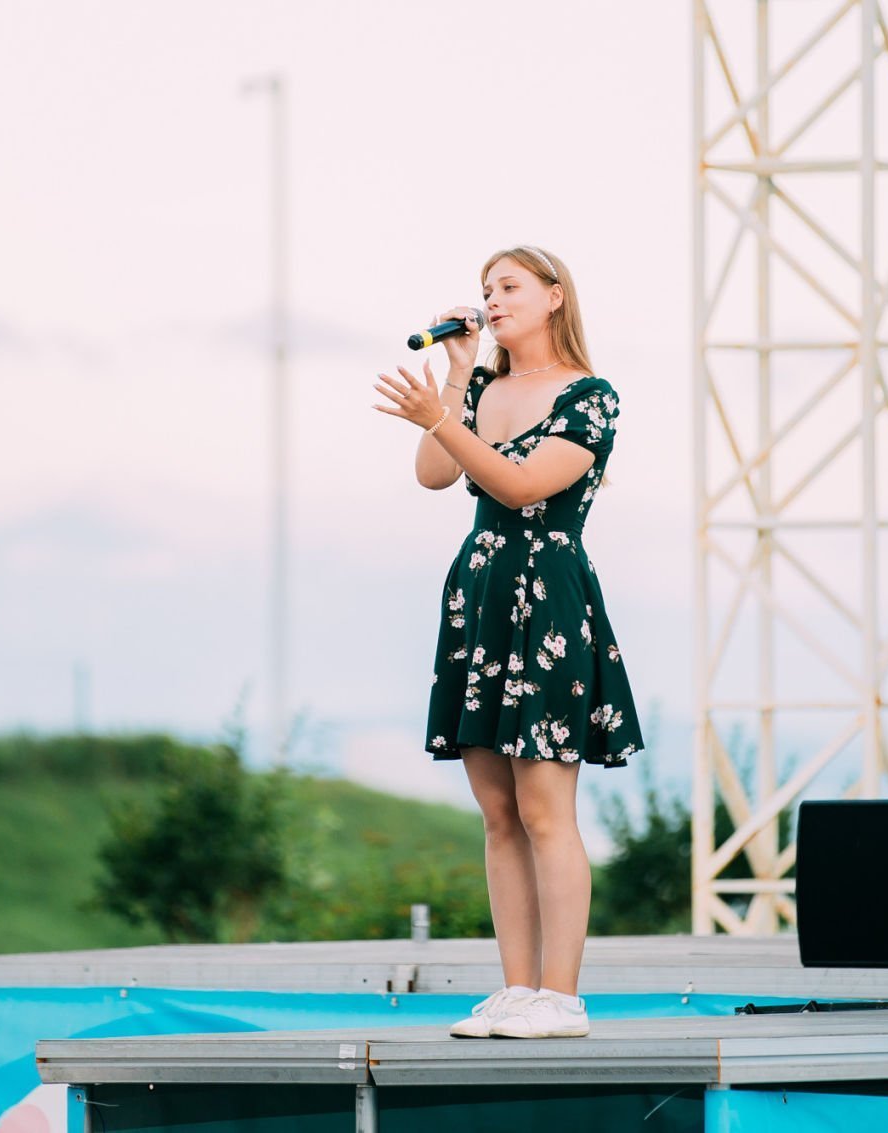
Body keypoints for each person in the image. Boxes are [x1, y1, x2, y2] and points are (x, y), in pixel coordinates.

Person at [371, 245, 645, 1040]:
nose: (491, 299)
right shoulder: (484, 387)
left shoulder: (591, 397)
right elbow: (433, 474)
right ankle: (518, 988)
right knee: (498, 812)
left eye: (509, 285)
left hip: (548, 598)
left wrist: (437, 420)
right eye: (486, 288)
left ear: (554, 296)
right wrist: (458, 378)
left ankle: (562, 997)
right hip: (484, 593)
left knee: (544, 808)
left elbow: (521, 485)